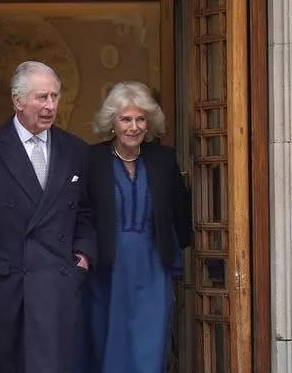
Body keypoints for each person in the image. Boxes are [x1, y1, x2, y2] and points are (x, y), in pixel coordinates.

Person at [0, 61, 96, 373]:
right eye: (42, 98)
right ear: (18, 101)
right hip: (2, 286)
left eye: (55, 97)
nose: (50, 106)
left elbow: (86, 212)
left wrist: (82, 256)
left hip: (56, 284)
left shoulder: (76, 150)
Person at [78, 81, 192, 373]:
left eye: (140, 119)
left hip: (153, 269)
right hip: (106, 270)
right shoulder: (91, 160)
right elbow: (80, 212)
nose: (133, 126)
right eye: (125, 119)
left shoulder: (162, 159)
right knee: (108, 347)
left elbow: (180, 211)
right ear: (112, 123)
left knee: (149, 350)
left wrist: (173, 250)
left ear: (149, 122)